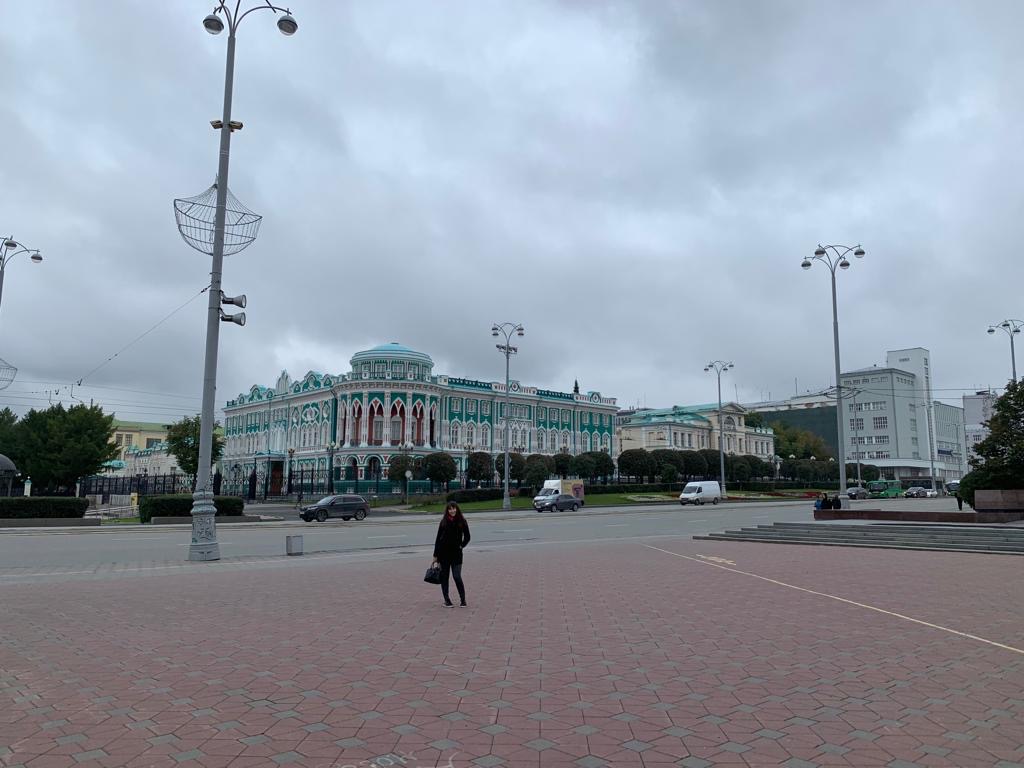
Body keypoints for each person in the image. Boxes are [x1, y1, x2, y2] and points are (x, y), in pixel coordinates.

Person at [433, 501, 471, 607]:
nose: (452, 511)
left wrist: (461, 546)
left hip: (456, 554)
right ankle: (447, 600)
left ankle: (463, 600)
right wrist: (435, 555)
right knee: (444, 577)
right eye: (450, 509)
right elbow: (438, 539)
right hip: (443, 554)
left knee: (457, 576)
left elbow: (467, 537)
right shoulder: (443, 522)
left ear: (457, 509)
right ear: (447, 511)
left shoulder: (462, 521)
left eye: (454, 508)